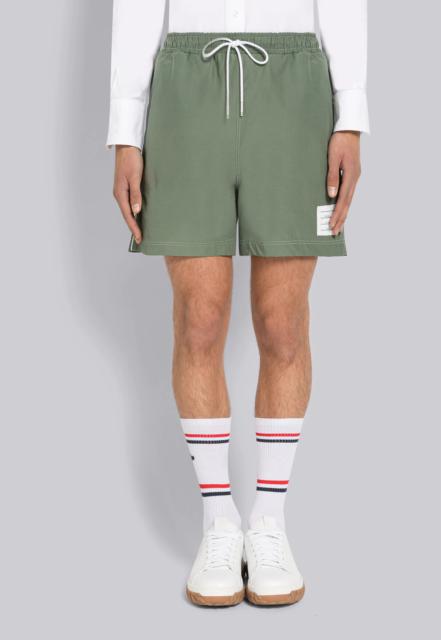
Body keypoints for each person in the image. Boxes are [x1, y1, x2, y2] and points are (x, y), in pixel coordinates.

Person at [107, 0, 369, 607]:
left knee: (283, 324)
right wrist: (125, 128)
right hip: (186, 84)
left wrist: (350, 113)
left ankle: (269, 520)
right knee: (198, 319)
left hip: (295, 86)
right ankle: (219, 521)